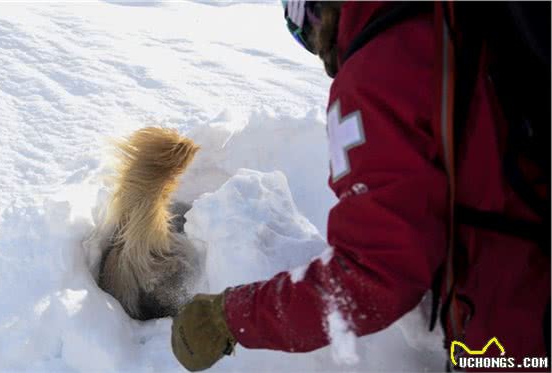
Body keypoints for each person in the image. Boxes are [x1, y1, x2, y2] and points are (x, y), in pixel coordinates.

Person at [170, 2, 551, 371]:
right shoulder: (456, 22)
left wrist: (227, 317)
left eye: (304, 24)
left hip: (523, 330)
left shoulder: (381, 68)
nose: (316, 47)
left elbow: (369, 278)